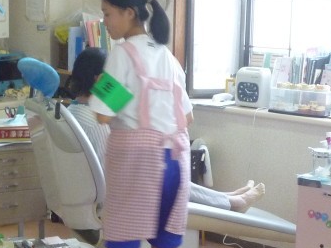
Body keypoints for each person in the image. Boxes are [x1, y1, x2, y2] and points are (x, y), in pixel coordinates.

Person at [86, 0, 196, 248]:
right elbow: (187, 117)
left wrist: (103, 88)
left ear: (129, 13)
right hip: (175, 161)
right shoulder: (167, 56)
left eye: (108, 14)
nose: (105, 22)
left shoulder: (122, 53)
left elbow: (102, 115)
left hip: (139, 163)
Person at [68, 47, 265, 213]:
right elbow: (110, 174)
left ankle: (227, 198)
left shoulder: (73, 112)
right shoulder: (96, 123)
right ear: (99, 80)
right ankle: (233, 203)